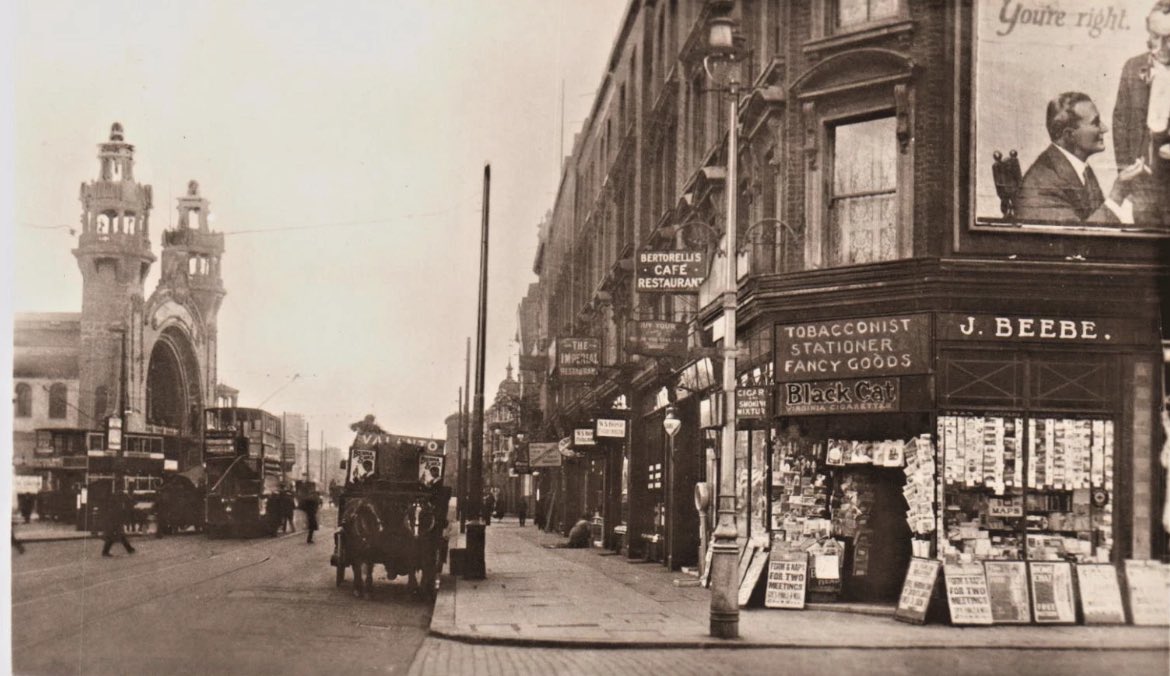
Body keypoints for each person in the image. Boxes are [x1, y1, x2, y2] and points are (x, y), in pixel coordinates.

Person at [1016, 92, 1144, 223]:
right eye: (1095, 123)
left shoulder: (1080, 168)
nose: (1104, 128)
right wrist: (1117, 194)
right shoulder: (1043, 186)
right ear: (1069, 135)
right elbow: (1079, 241)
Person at [1113, 1, 1170, 225]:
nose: (1164, 46)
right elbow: (1120, 122)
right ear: (1148, 29)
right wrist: (1126, 172)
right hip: (1144, 179)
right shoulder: (1133, 67)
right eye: (1157, 37)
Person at [101, 490, 136, 557]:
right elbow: (130, 503)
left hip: (115, 519)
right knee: (115, 536)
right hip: (115, 520)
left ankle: (129, 549)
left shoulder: (115, 498)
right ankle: (105, 552)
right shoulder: (120, 498)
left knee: (118, 535)